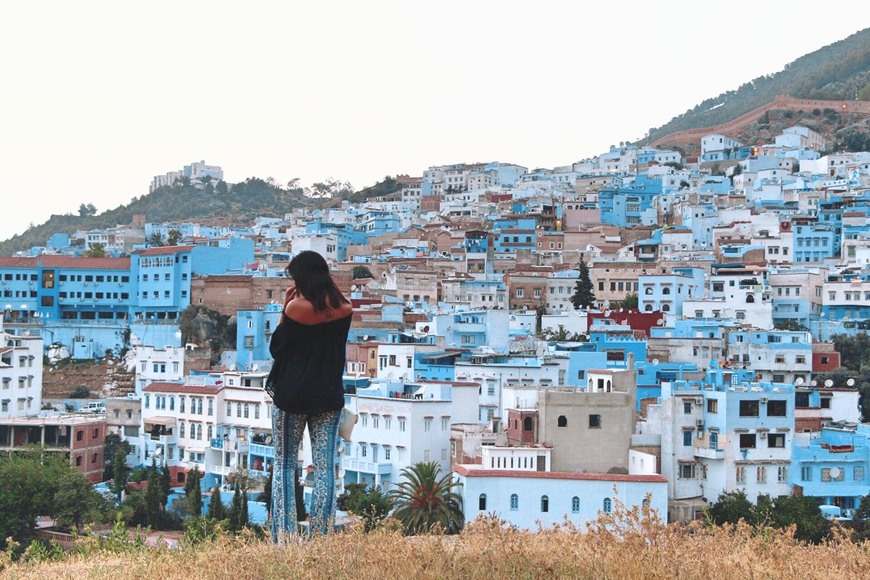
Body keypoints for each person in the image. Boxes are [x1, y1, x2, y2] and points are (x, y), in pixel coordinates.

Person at [268, 251, 353, 541]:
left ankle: (285, 537)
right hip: (328, 395)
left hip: (292, 395)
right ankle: (321, 535)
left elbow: (278, 348)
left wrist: (284, 306)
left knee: (285, 464)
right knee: (325, 466)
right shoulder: (345, 307)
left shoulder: (296, 308)